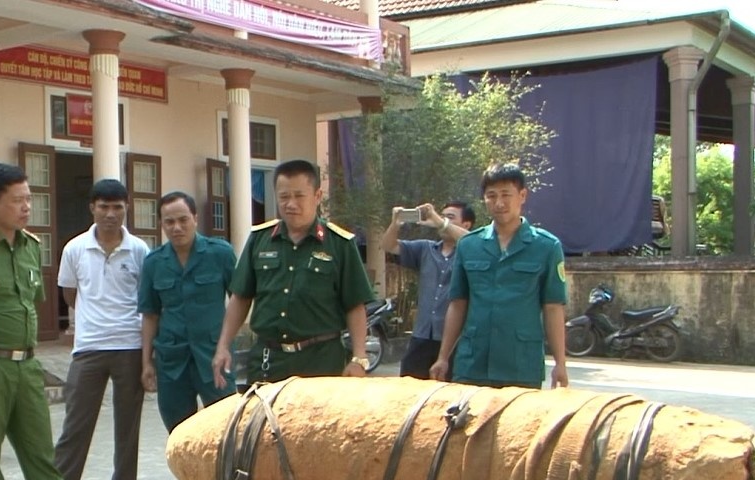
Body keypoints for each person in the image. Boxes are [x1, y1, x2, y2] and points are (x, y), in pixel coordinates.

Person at [0, 162, 119, 480]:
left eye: (28, 199)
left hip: (27, 366)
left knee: (42, 455)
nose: (26, 208)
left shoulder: (30, 246)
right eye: (17, 200)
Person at [11, 178, 149, 480]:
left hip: (130, 345)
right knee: (75, 425)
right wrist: (92, 320)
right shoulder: (75, 248)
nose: (110, 214)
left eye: (117, 207)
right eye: (104, 207)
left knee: (128, 425)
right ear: (92, 208)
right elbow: (70, 295)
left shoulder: (139, 250)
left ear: (126, 208)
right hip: (89, 347)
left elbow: (146, 300)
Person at [211, 159, 374, 387]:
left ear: (317, 196)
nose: (291, 204)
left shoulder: (339, 244)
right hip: (269, 360)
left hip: (321, 360)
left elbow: (355, 305)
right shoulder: (260, 239)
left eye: (299, 196)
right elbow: (241, 297)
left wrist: (359, 358)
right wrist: (223, 346)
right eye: (284, 197)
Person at [138, 192, 237, 480]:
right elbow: (150, 314)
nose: (177, 227)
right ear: (161, 224)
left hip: (214, 357)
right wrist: (146, 362)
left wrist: (226, 344)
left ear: (195, 218)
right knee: (180, 430)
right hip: (172, 358)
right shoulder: (154, 263)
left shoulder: (220, 254)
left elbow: (239, 300)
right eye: (169, 222)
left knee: (226, 427)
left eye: (183, 219)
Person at [429, 163, 569, 389]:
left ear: (522, 196)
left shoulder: (546, 247)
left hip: (521, 364)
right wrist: (443, 357)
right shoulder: (469, 245)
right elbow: (458, 304)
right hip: (473, 363)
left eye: (506, 194)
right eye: (491, 196)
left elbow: (553, 307)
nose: (499, 203)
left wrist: (560, 363)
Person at [380, 201, 474, 381]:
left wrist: (439, 221)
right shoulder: (425, 248)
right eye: (442, 216)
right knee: (410, 387)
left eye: (450, 217)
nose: (443, 220)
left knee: (450, 393)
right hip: (422, 335)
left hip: (455, 341)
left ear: (466, 224)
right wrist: (395, 223)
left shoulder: (471, 252)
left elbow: (474, 242)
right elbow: (388, 246)